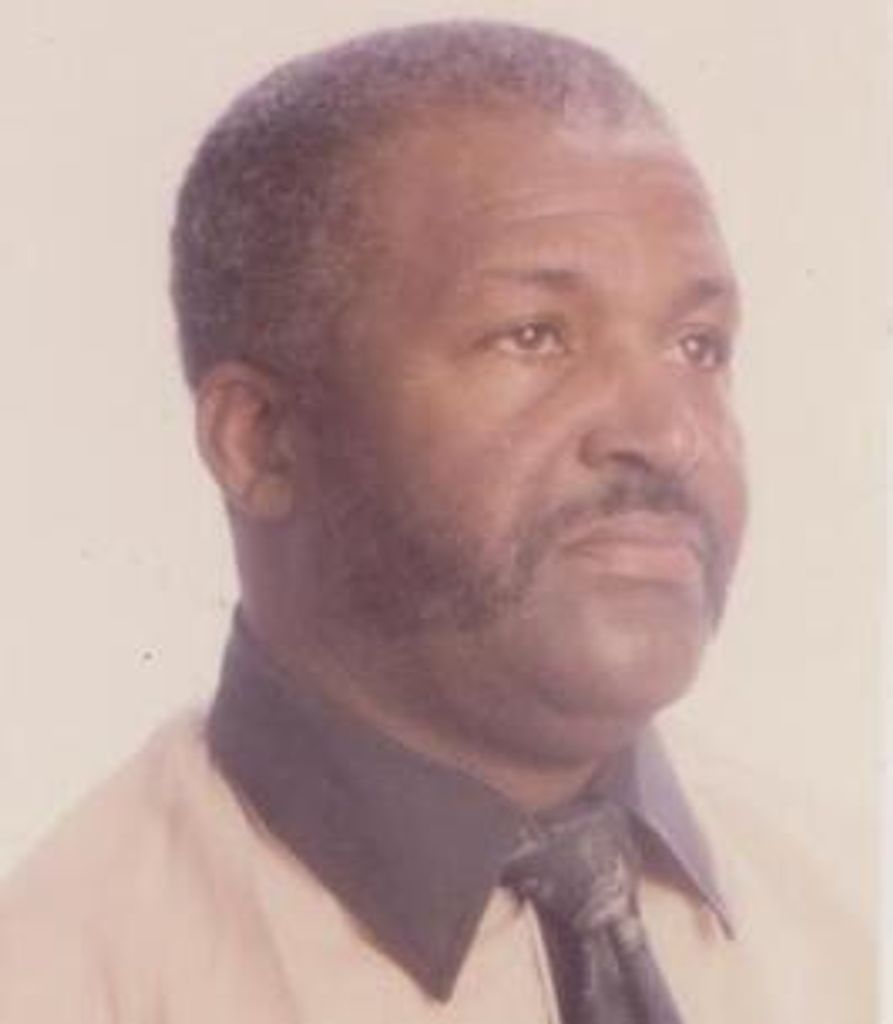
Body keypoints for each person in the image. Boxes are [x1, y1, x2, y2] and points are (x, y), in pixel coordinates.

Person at [0, 20, 871, 1023]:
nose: (669, 435)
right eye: (533, 336)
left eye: (697, 345)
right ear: (261, 441)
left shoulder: (843, 918)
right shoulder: (62, 983)